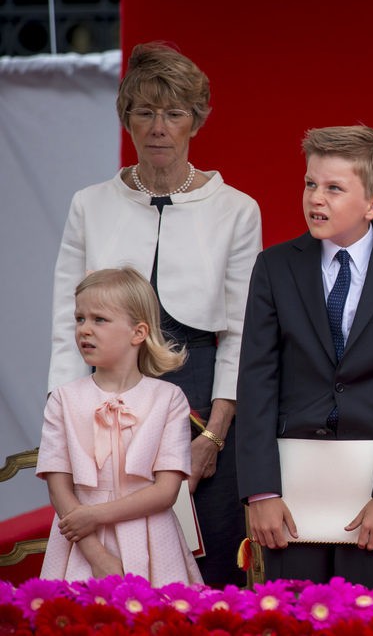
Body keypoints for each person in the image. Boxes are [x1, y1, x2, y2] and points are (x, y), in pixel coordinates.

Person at [47, 42, 262, 587]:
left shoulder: (237, 209)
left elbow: (240, 332)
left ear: (197, 119)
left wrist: (212, 437)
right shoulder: (88, 204)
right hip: (105, 399)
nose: (159, 127)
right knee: (109, 556)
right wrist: (64, 422)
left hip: (202, 399)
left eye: (174, 113)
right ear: (127, 119)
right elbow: (62, 323)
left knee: (210, 558)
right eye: (144, 112)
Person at [236, 126, 373, 589]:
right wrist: (262, 491)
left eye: (333, 188)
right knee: (292, 619)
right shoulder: (274, 267)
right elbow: (256, 382)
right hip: (291, 493)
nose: (316, 198)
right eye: (311, 184)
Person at [37, 268, 203, 586]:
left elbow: (166, 491)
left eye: (99, 319)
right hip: (83, 543)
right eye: (80, 319)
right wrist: (97, 555)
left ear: (138, 332)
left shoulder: (168, 399)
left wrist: (94, 515)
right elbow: (59, 488)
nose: (85, 329)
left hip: (152, 538)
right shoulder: (62, 399)